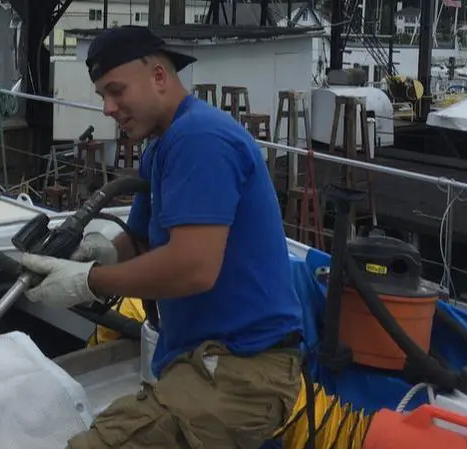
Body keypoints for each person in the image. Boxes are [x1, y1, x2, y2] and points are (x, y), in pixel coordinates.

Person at [21, 26, 304, 449]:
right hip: (199, 362)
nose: (108, 108)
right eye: (102, 96)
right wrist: (93, 254)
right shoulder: (163, 147)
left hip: (244, 370)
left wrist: (89, 280)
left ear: (158, 76)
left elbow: (193, 268)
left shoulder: (200, 138)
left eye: (116, 91)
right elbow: (141, 242)